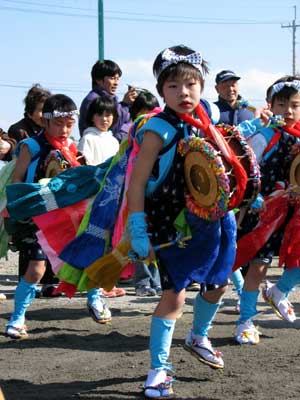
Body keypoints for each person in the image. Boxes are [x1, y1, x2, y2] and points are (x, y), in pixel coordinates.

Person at [125, 44, 240, 398]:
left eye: (190, 85)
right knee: (174, 296)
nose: (183, 92)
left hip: (215, 221)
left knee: (219, 284)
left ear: (202, 88)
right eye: (173, 86)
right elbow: (138, 181)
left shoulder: (206, 122)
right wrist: (137, 225)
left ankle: (198, 336)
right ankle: (158, 369)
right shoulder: (158, 127)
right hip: (172, 224)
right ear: (161, 91)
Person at [5, 94, 111, 340]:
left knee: (89, 252)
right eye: (59, 124)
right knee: (36, 269)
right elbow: (16, 183)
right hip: (36, 217)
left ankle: (95, 300)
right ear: (45, 121)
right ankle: (18, 318)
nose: (64, 130)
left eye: (69, 125)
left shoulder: (71, 147)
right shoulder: (30, 147)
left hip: (66, 216)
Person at [234, 76, 300, 345]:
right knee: (258, 267)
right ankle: (246, 320)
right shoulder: (263, 136)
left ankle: (279, 291)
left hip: (294, 213)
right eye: (282, 104)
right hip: (265, 212)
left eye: (295, 105)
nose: (289, 111)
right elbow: (245, 171)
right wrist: (254, 198)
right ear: (270, 105)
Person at [7, 84, 57, 295]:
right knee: (28, 241)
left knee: (49, 237)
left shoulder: (54, 131)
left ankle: (49, 281)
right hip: (27, 189)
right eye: (40, 110)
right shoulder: (20, 130)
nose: (44, 115)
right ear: (30, 111)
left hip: (48, 193)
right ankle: (25, 282)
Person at [78, 95, 125, 298]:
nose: (105, 118)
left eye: (109, 114)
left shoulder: (114, 140)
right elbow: (85, 168)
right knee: (97, 240)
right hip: (96, 196)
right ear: (92, 117)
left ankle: (105, 282)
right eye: (100, 114)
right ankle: (94, 285)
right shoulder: (88, 138)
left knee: (110, 241)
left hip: (113, 196)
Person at [79, 60, 137, 142]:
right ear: (98, 80)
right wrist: (124, 105)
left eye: (117, 79)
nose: (116, 83)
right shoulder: (93, 100)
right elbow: (110, 129)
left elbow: (128, 123)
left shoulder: (113, 99)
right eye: (112, 78)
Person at [78, 95, 120, 165]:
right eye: (99, 115)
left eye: (107, 115)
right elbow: (83, 167)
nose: (104, 119)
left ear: (114, 117)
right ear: (92, 117)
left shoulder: (114, 142)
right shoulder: (88, 139)